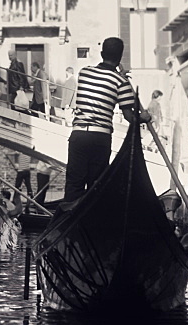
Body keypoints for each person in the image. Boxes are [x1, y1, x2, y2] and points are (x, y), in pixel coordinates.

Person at [64, 37, 151, 202]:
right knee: (95, 187)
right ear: (120, 58)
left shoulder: (84, 72)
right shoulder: (121, 82)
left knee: (73, 185)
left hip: (78, 135)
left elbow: (104, 78)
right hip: (100, 138)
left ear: (102, 53)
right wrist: (144, 117)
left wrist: (118, 74)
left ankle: (68, 224)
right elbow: (130, 118)